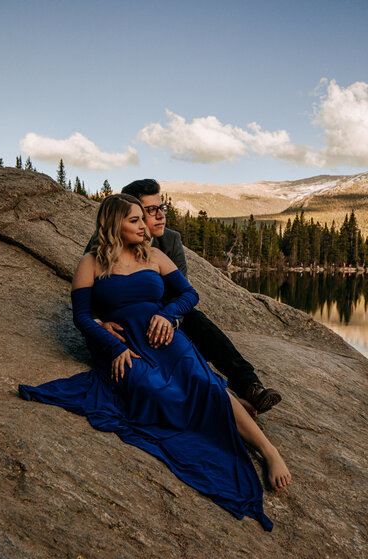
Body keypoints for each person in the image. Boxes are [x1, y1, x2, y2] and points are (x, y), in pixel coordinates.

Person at [20, 194, 291, 532]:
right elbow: (81, 316)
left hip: (163, 335)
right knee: (154, 393)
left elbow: (189, 295)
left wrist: (167, 315)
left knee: (204, 383)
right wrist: (110, 345)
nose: (143, 226)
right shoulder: (92, 262)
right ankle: (230, 410)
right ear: (113, 224)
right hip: (122, 345)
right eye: (134, 220)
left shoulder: (155, 256)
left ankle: (267, 450)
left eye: (142, 219)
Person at [85, 179, 282, 418]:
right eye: (151, 210)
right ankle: (228, 402)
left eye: (162, 208)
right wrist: (99, 324)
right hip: (127, 326)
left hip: (165, 316)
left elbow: (184, 294)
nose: (160, 216)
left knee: (198, 323)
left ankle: (250, 388)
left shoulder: (169, 241)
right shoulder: (102, 245)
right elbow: (91, 295)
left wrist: (170, 319)